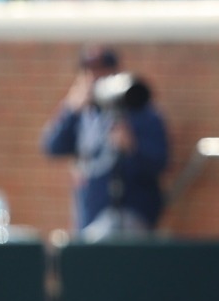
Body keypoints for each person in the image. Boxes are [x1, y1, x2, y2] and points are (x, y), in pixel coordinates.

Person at [40, 46, 169, 237]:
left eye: (101, 71)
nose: (94, 77)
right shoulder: (80, 112)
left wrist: (132, 147)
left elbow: (160, 161)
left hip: (132, 213)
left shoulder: (139, 110)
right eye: (89, 71)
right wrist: (70, 110)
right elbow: (52, 146)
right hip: (89, 213)